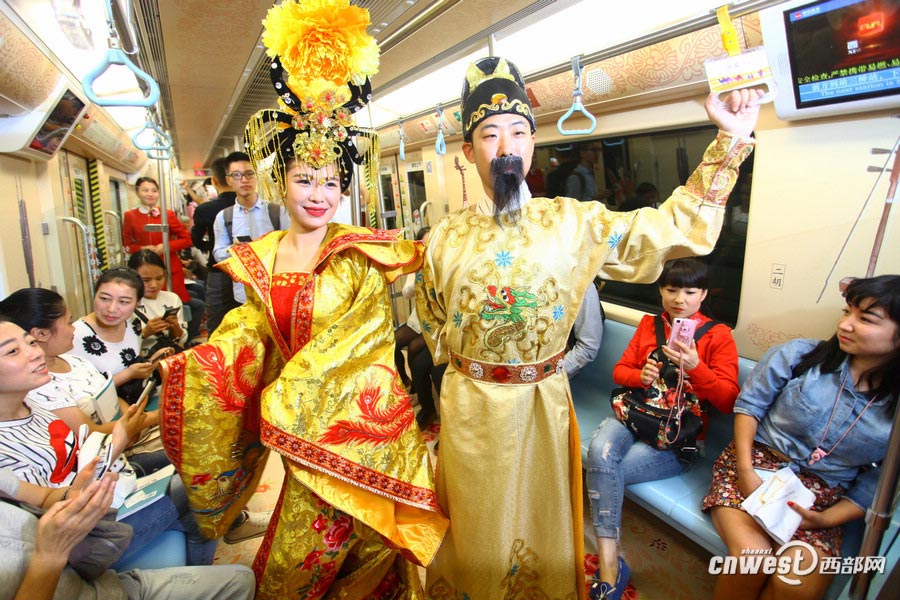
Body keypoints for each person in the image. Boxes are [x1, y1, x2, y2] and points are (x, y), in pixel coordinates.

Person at [416, 55, 760, 598]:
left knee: (542, 520)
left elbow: (668, 231)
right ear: (468, 151)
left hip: (542, 405)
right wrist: (465, 367)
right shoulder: (444, 237)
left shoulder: (574, 223)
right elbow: (427, 310)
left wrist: (731, 141)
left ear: (532, 144)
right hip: (469, 409)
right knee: (476, 524)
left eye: (517, 132)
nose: (505, 146)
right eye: (488, 135)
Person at [159, 2, 447, 597]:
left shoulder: (365, 253)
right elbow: (250, 332)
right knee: (305, 555)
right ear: (278, 181)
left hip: (353, 430)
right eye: (305, 180)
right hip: (294, 429)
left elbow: (360, 348)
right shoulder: (259, 254)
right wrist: (202, 363)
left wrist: (287, 400)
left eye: (332, 183)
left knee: (345, 551)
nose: (319, 195)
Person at [703, 275, 900, 600]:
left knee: (795, 584)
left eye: (864, 319)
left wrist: (823, 519)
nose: (846, 325)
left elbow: (879, 484)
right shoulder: (800, 357)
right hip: (754, 468)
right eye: (846, 312)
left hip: (823, 499)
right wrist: (746, 471)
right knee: (753, 559)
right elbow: (749, 407)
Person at [0, 317, 218, 568]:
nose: (35, 353)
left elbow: (75, 469)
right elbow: (57, 517)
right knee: (204, 484)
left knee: (199, 488)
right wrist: (118, 442)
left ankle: (193, 580)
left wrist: (117, 443)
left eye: (30, 343)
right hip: (88, 536)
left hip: (110, 490)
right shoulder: (7, 448)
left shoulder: (32, 404)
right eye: (13, 351)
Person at [586, 258, 739, 599]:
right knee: (600, 453)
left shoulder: (718, 336)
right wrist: (638, 375)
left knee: (606, 469)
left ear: (703, 295)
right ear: (660, 290)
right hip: (635, 414)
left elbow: (728, 400)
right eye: (671, 289)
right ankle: (611, 561)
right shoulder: (649, 325)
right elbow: (620, 372)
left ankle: (609, 563)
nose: (679, 299)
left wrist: (697, 368)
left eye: (690, 291)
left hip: (675, 439)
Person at [0, 468, 256, 600]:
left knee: (241, 581)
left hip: (99, 582)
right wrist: (50, 556)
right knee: (194, 488)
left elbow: (42, 496)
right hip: (65, 564)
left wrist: (75, 494)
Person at [0, 288, 166, 476]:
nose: (74, 328)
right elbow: (91, 438)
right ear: (41, 333)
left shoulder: (74, 361)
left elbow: (110, 394)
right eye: (70, 322)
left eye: (30, 344)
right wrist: (146, 419)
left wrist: (135, 419)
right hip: (116, 459)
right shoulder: (37, 390)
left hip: (130, 439)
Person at [68, 268, 170, 402]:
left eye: (124, 302)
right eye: (104, 298)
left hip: (134, 403)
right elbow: (78, 396)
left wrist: (150, 362)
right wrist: (128, 374)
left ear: (138, 303)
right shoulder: (74, 335)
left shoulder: (133, 322)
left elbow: (129, 361)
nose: (111, 309)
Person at [211, 152, 289, 310]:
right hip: (242, 292)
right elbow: (218, 252)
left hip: (275, 288)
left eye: (249, 174)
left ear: (256, 177)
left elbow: (292, 246)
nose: (244, 180)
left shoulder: (277, 212)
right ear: (229, 180)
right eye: (237, 175)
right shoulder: (224, 217)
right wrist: (234, 250)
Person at [122, 177, 193, 305]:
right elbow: (126, 246)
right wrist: (142, 249)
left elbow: (187, 240)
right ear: (137, 192)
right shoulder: (130, 216)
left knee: (175, 305)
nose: (150, 194)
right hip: (144, 271)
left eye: (154, 191)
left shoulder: (168, 214)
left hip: (169, 268)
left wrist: (166, 246)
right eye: (145, 190)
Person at [128, 250, 191, 352]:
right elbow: (117, 345)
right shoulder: (125, 303)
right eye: (146, 280)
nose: (154, 285)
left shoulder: (172, 298)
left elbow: (182, 340)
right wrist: (145, 333)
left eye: (159, 278)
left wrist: (175, 327)